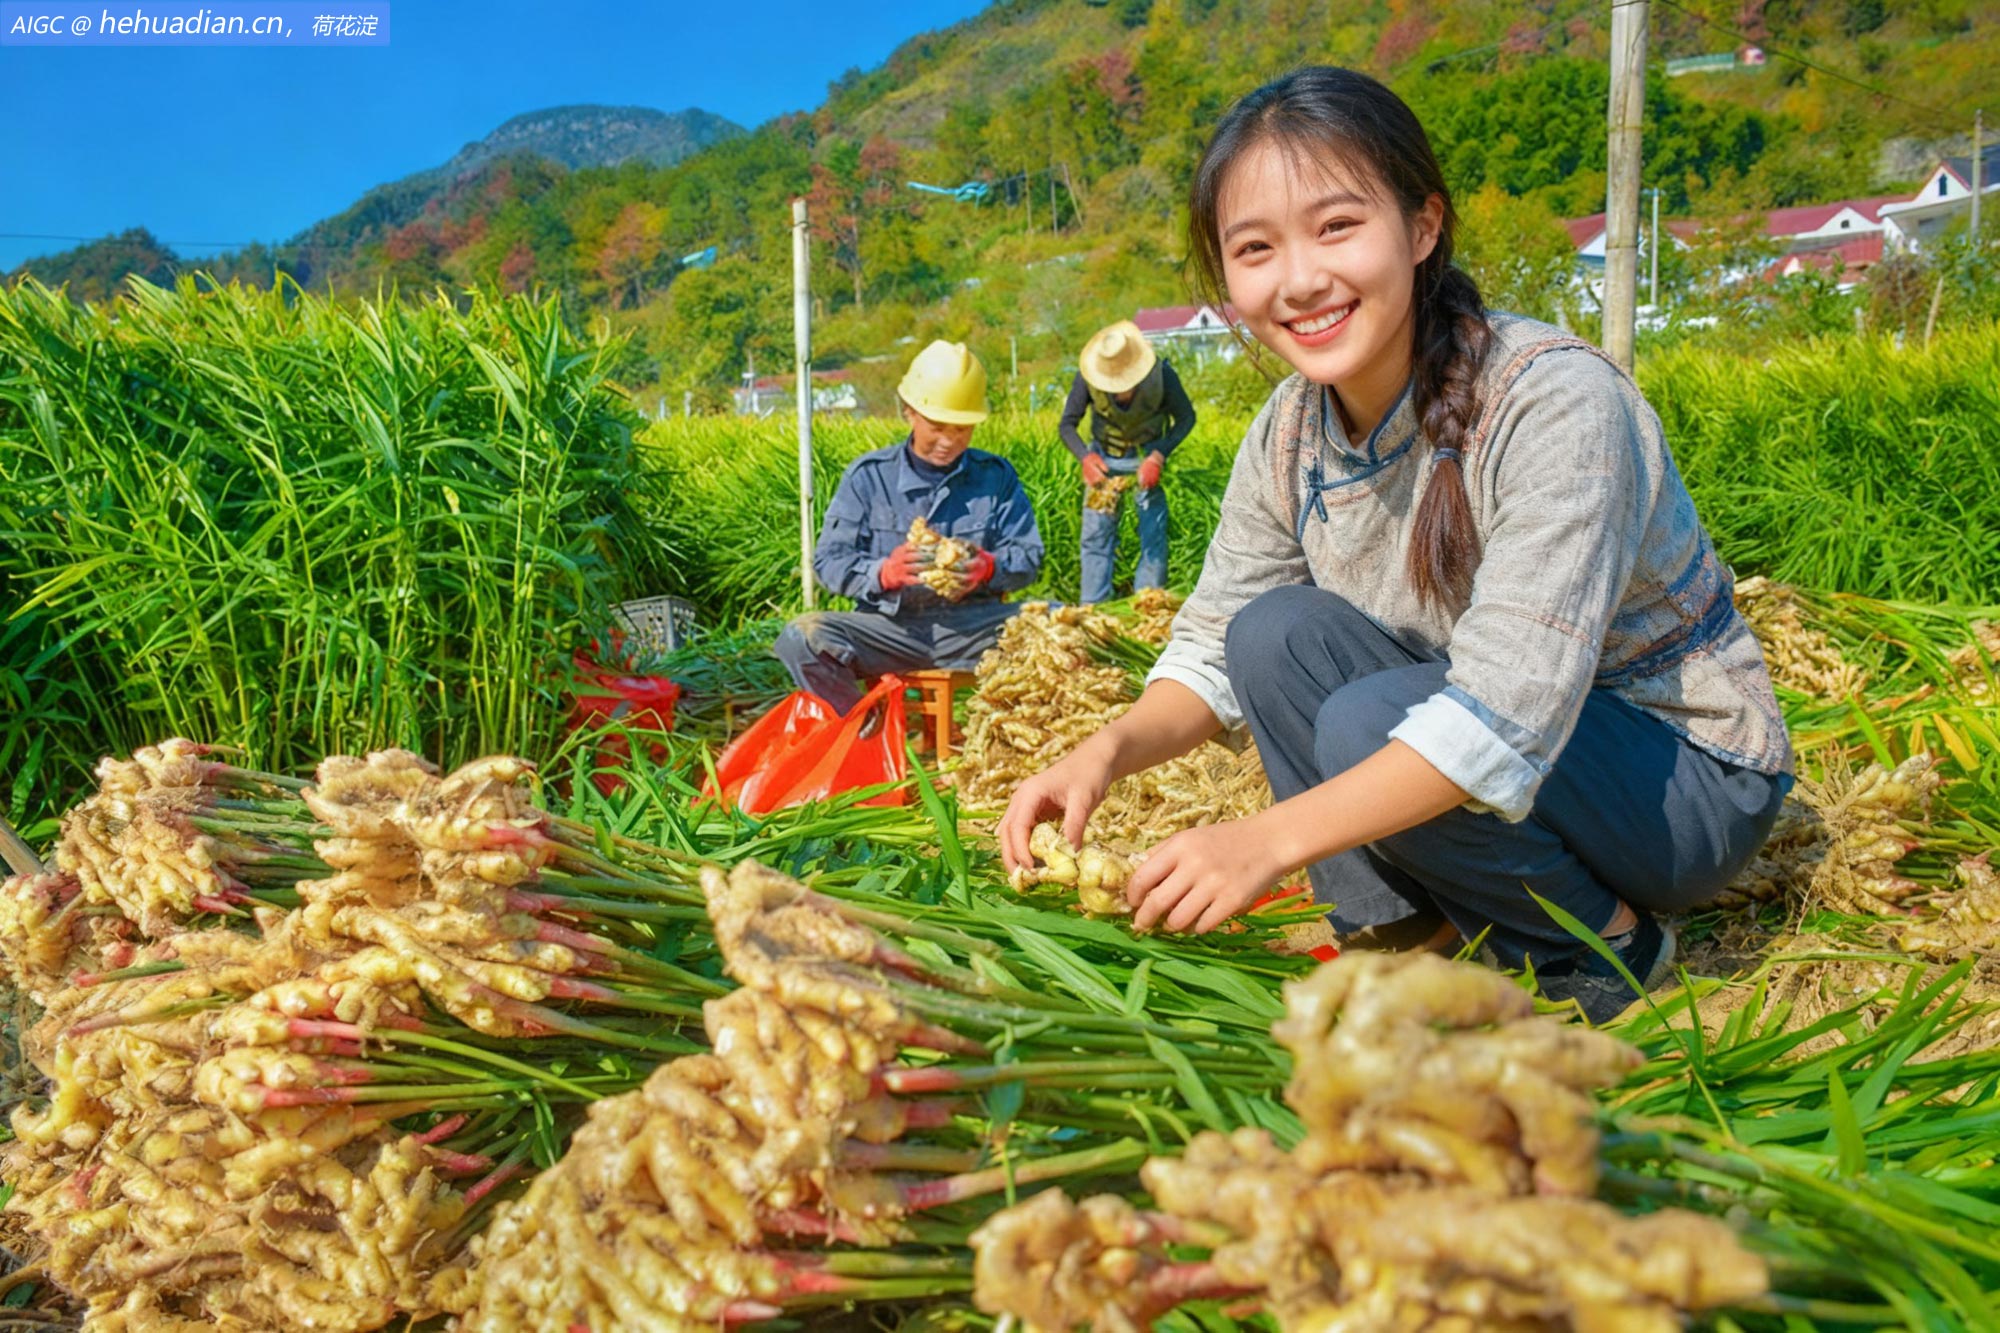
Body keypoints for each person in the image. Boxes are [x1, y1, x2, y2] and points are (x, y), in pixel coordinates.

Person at [999, 67, 1793, 1023]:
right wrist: (1104, 751)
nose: (1300, 280)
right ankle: (1410, 932)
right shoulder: (1289, 430)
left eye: (1337, 227)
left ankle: (1602, 943)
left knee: (1365, 718)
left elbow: (1502, 712)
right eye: (1256, 248)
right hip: (1498, 743)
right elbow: (1212, 644)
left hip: (1676, 789)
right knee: (1272, 633)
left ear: (1421, 228)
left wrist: (1261, 841)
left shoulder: (1551, 401)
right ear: (1226, 281)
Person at [774, 341, 1044, 714]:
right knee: (799, 638)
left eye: (962, 429)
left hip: (972, 628)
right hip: (890, 629)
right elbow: (828, 562)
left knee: (1066, 624)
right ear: (909, 413)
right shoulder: (868, 478)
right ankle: (864, 728)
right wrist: (882, 573)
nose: (949, 441)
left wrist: (990, 568)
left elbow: (1029, 556)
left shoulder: (995, 476)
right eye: (937, 427)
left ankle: (1025, 733)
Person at [1058, 321, 1196, 604]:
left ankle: (1146, 607)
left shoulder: (1162, 375)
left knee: (1152, 538)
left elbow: (1186, 418)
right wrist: (1085, 458)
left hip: (1147, 461)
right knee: (1096, 539)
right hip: (1104, 463)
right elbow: (1067, 425)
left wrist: (1159, 455)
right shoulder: (1087, 378)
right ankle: (1094, 612)